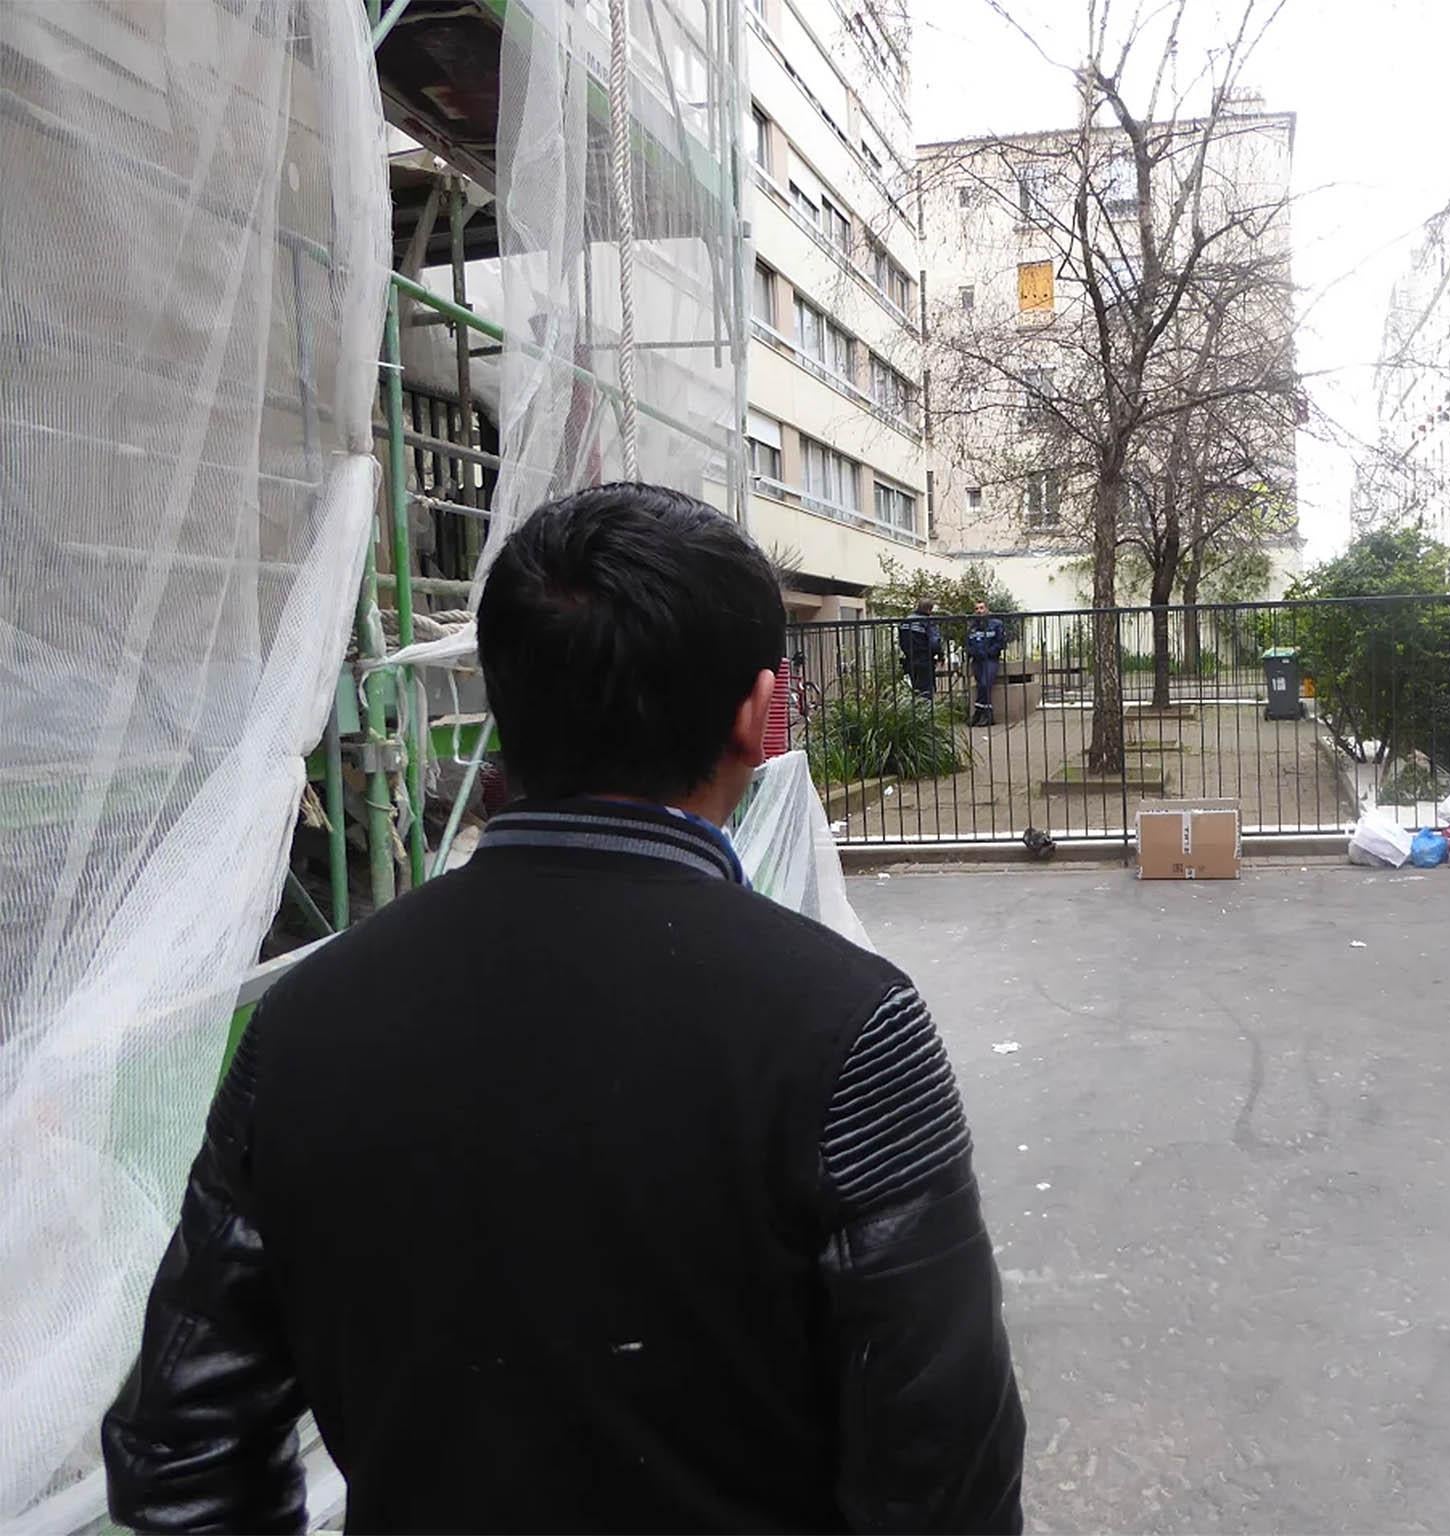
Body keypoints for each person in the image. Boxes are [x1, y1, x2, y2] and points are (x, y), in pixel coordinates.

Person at [102, 483, 1025, 1534]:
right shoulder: (849, 1029)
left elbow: (181, 1449)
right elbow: (943, 1474)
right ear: (754, 716)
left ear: (507, 702)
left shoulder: (307, 1020)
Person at [965, 602, 1007, 727]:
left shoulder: (996, 624)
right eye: (976, 608)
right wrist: (972, 653)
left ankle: (981, 712)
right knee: (981, 686)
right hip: (977, 660)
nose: (979, 611)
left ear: (987, 609)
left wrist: (990, 652)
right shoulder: (972, 627)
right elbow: (968, 643)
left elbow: (1001, 642)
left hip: (990, 659)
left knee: (984, 683)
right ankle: (985, 714)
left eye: (981, 608)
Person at [898, 598, 941, 700]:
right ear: (930, 609)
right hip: (924, 660)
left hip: (909, 660)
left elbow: (901, 640)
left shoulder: (906, 621)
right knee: (926, 692)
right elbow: (934, 643)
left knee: (915, 690)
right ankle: (926, 714)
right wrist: (939, 654)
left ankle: (916, 713)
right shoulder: (928, 622)